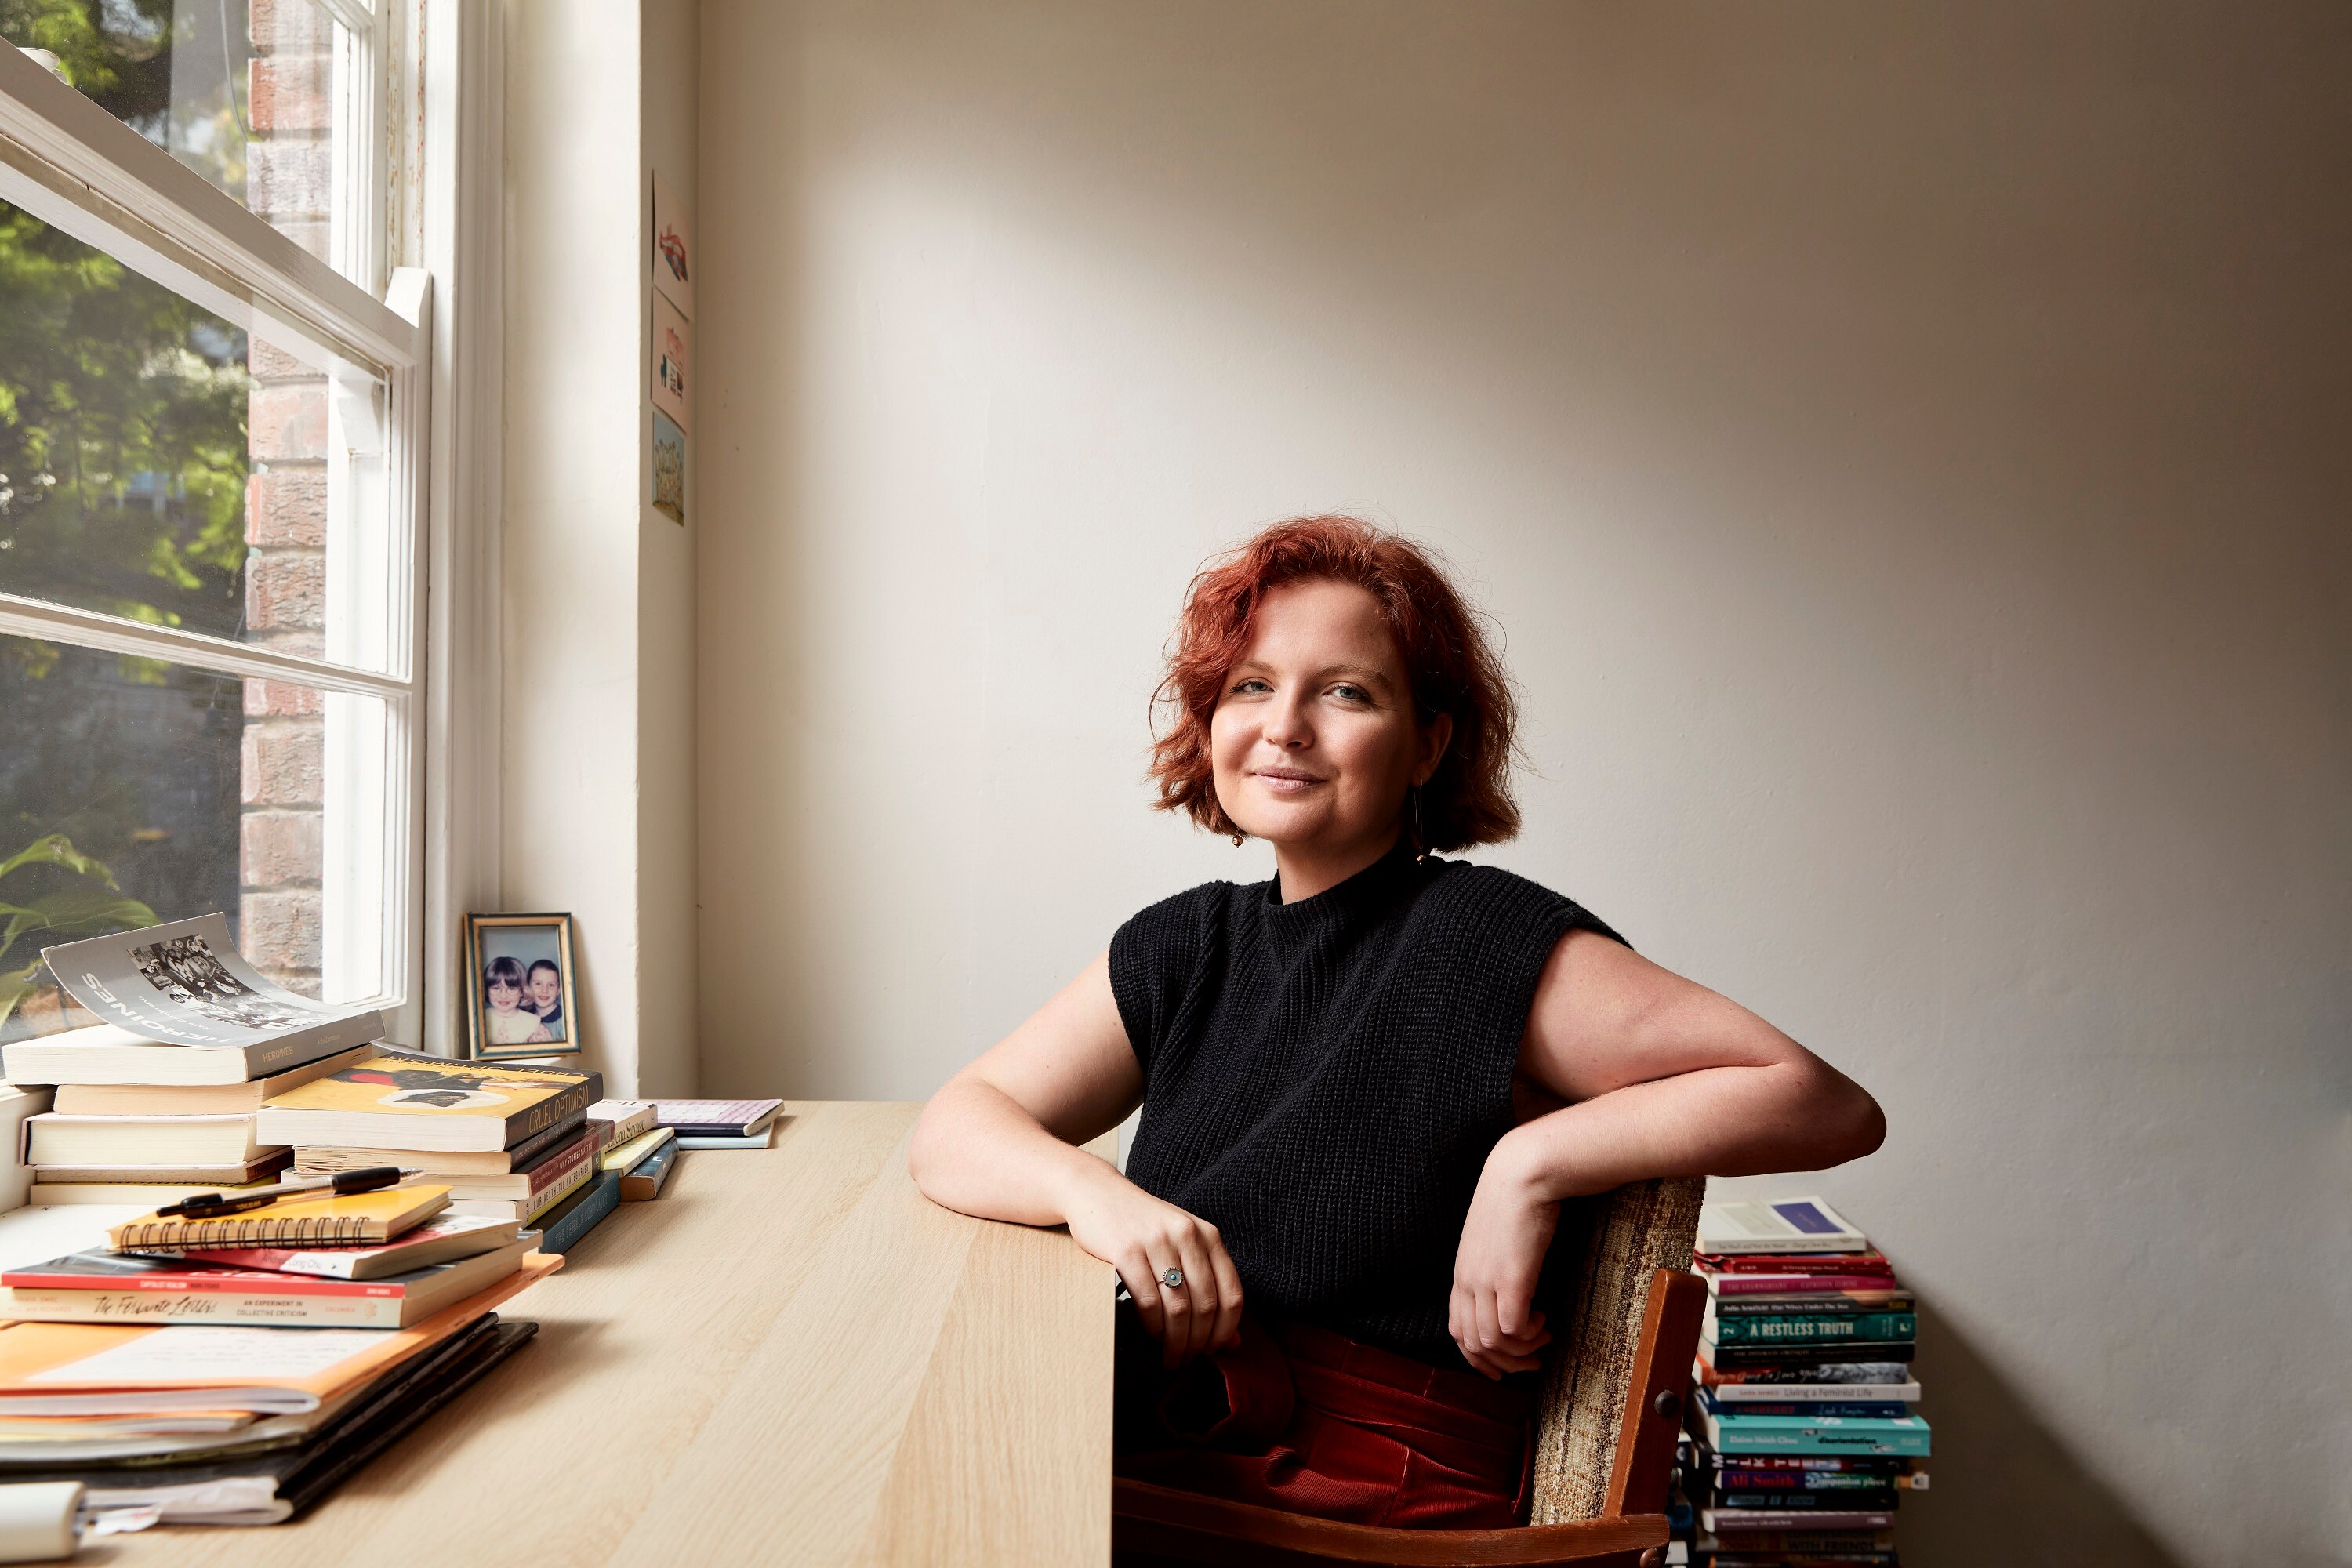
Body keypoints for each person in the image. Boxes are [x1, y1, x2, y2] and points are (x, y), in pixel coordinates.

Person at [908, 516, 1886, 1530]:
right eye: (1252, 684)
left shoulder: (1479, 939)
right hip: (1181, 1435)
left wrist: (1533, 1164)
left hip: (1358, 1493)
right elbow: (955, 1127)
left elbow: (1823, 1103)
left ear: (1426, 745)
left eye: (1345, 692)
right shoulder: (1186, 944)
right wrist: (1094, 1197)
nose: (1285, 725)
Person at [482, 956, 553, 1047]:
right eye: (496, 988)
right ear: (487, 990)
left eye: (511, 989)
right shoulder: (479, 1020)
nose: (503, 996)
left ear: (522, 992)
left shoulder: (534, 1026)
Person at [526, 959, 566, 1042]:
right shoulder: (524, 1016)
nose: (544, 990)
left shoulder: (565, 1021)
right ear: (528, 987)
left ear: (558, 990)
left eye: (551, 985)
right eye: (538, 984)